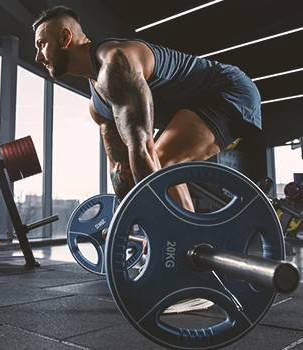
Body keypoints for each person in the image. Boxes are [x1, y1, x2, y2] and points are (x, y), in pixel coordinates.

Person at [32, 6, 262, 313]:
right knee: (158, 169)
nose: (38, 56)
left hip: (229, 92)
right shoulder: (97, 106)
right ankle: (190, 255)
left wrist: (159, 230)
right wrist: (132, 222)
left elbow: (141, 148)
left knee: (161, 166)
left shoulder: (116, 62)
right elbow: (120, 170)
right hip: (195, 105)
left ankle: (196, 274)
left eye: (41, 44)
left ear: (65, 37)